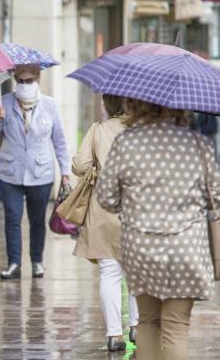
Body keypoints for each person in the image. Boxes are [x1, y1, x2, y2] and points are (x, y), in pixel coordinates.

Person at [97, 98, 216, 360]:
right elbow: (215, 199)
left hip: (142, 249)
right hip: (186, 250)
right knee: (176, 327)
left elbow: (106, 198)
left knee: (148, 321)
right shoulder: (199, 144)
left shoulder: (126, 143)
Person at [0, 64, 71, 280]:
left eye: (29, 81)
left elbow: (59, 141)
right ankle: (14, 263)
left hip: (40, 172)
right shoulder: (5, 102)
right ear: (15, 81)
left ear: (37, 80)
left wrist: (65, 171)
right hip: (10, 172)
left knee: (36, 220)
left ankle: (37, 262)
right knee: (12, 218)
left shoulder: (50, 105)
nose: (24, 85)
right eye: (20, 81)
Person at [72, 95, 138, 352]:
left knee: (110, 273)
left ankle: (114, 335)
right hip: (136, 209)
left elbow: (80, 166)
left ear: (108, 105)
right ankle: (136, 327)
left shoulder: (97, 130)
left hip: (104, 210)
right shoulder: (140, 130)